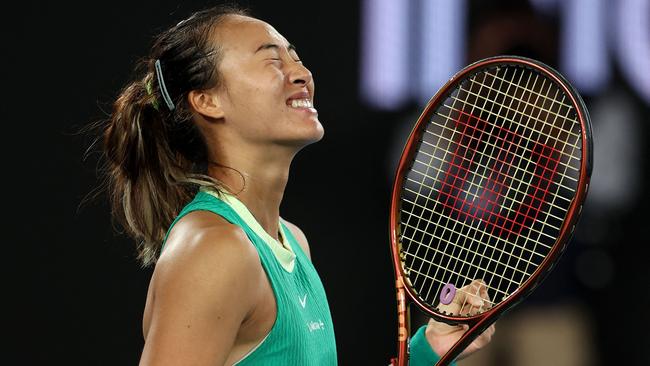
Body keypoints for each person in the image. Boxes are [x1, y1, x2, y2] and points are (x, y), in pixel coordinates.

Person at [99, 5, 494, 365]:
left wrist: (430, 352)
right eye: (271, 60)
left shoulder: (292, 240)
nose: (302, 73)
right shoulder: (214, 250)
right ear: (207, 101)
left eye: (296, 57)